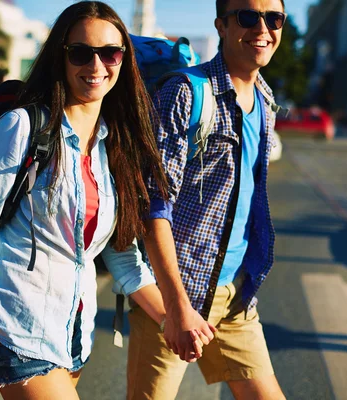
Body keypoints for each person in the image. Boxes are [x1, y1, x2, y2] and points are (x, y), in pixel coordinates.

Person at [0, 3, 202, 400]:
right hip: (17, 326)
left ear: (124, 60)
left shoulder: (114, 146)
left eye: (109, 52)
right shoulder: (22, 128)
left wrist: (177, 318)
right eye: (80, 52)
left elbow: (124, 258)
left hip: (74, 336)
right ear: (61, 57)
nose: (96, 65)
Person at [129, 0, 288, 399]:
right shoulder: (186, 92)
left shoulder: (266, 101)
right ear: (220, 24)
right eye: (248, 17)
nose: (262, 28)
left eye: (274, 18)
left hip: (233, 295)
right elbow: (154, 208)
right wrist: (176, 306)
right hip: (176, 292)